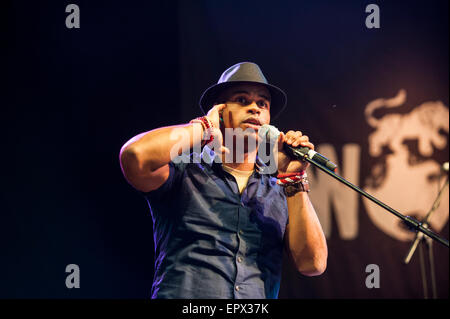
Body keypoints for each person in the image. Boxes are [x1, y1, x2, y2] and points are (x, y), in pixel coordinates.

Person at [119, 62, 327, 299]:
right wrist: (204, 129)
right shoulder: (185, 170)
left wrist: (294, 179)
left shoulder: (278, 190)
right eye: (242, 100)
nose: (255, 109)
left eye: (262, 103)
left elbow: (314, 264)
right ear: (218, 111)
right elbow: (135, 156)